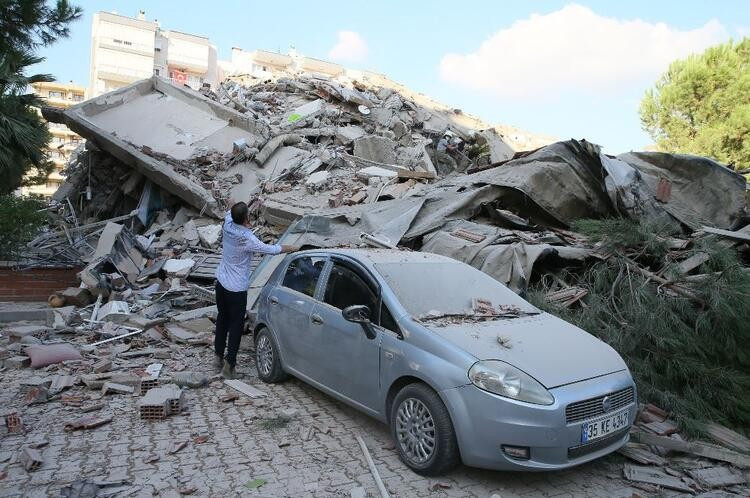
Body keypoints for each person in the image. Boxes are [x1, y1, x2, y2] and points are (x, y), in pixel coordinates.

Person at [214, 201, 297, 379]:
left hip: (221, 282)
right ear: (246, 218)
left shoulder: (227, 223)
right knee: (236, 326)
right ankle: (230, 367)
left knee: (222, 319)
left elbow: (230, 208)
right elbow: (270, 249)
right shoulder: (247, 238)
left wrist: (240, 206)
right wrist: (291, 248)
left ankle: (217, 356)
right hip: (236, 289)